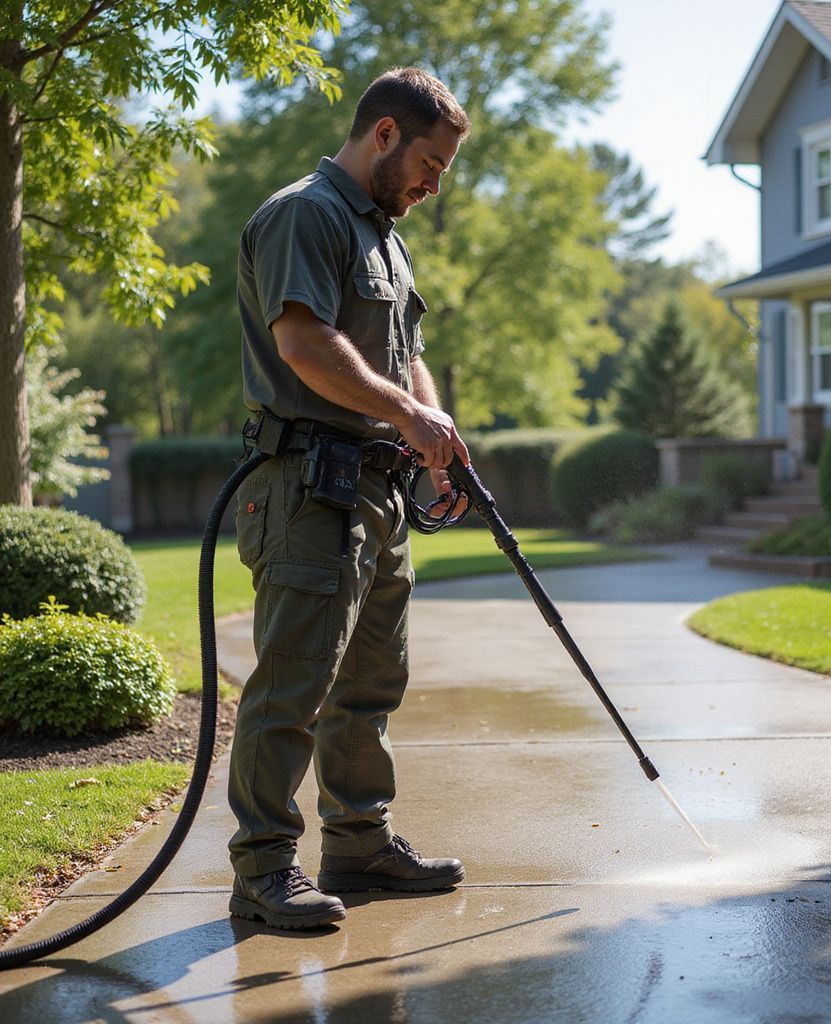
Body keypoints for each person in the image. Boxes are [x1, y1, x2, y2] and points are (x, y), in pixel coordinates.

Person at [227, 68, 472, 930]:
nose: (434, 185)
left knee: (369, 681)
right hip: (305, 488)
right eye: (431, 164)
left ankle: (359, 841)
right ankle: (262, 870)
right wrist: (409, 414)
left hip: (376, 488)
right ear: (384, 134)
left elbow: (402, 356)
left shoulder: (384, 235)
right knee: (293, 685)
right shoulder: (307, 213)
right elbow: (304, 342)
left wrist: (433, 441)